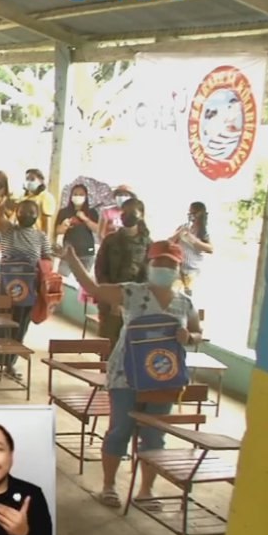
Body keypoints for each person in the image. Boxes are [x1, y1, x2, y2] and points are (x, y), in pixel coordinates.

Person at [63, 240, 201, 510]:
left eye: (170, 264)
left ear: (178, 268)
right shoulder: (132, 292)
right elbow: (93, 288)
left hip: (163, 379)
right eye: (159, 262)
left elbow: (197, 333)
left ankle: (146, 490)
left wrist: (190, 337)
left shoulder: (184, 303)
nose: (164, 268)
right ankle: (109, 486)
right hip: (125, 374)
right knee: (120, 429)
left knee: (154, 435)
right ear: (149, 264)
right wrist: (72, 258)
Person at [0, 198, 53, 377]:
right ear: (16, 213)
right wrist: (5, 204)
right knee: (0, 325)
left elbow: (47, 259)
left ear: (37, 215)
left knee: (19, 327)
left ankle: (10, 364)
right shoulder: (9, 230)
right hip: (5, 287)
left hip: (28, 290)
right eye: (23, 211)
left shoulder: (41, 237)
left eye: (31, 212)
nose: (27, 215)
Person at [94, 197, 150, 348]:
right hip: (110, 303)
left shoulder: (148, 244)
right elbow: (100, 271)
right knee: (109, 347)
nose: (127, 216)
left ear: (141, 215)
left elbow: (147, 278)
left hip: (135, 306)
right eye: (124, 212)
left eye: (132, 213)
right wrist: (113, 300)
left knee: (132, 348)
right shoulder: (110, 240)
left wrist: (130, 303)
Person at [55, 184, 99, 277]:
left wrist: (85, 219)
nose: (78, 196)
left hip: (87, 253)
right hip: (68, 253)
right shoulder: (64, 212)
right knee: (61, 278)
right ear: (71, 196)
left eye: (81, 194)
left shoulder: (92, 212)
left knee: (84, 281)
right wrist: (64, 225)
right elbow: (58, 231)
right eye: (75, 194)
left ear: (86, 197)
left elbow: (96, 229)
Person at [172, 202, 213, 297]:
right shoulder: (183, 227)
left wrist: (193, 240)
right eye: (190, 213)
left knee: (186, 295)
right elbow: (170, 242)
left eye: (194, 213)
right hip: (178, 268)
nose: (191, 216)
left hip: (191, 271)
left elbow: (210, 249)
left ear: (201, 214)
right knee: (173, 293)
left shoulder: (204, 232)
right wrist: (179, 233)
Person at [19, 169, 56, 238]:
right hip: (21, 236)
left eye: (32, 179)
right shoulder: (23, 198)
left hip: (35, 237)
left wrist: (45, 240)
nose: (29, 182)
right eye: (27, 179)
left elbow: (47, 222)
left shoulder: (46, 197)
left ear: (40, 181)